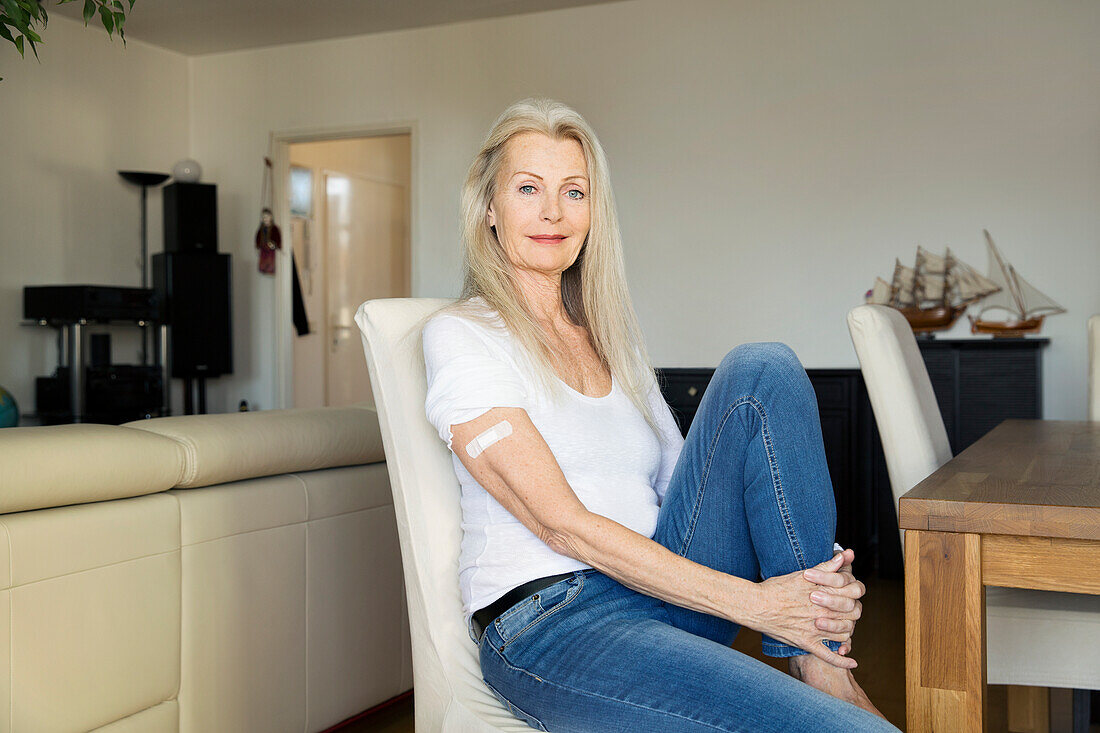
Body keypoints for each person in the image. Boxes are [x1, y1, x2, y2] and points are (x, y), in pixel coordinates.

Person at [422, 98, 898, 732]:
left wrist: (811, 578)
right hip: (557, 625)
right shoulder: (461, 335)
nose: (552, 213)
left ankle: (822, 663)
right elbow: (562, 526)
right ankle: (814, 648)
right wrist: (761, 605)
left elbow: (686, 491)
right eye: (528, 188)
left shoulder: (612, 339)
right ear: (489, 207)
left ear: (594, 213)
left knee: (762, 368)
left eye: (574, 192)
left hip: (663, 592)